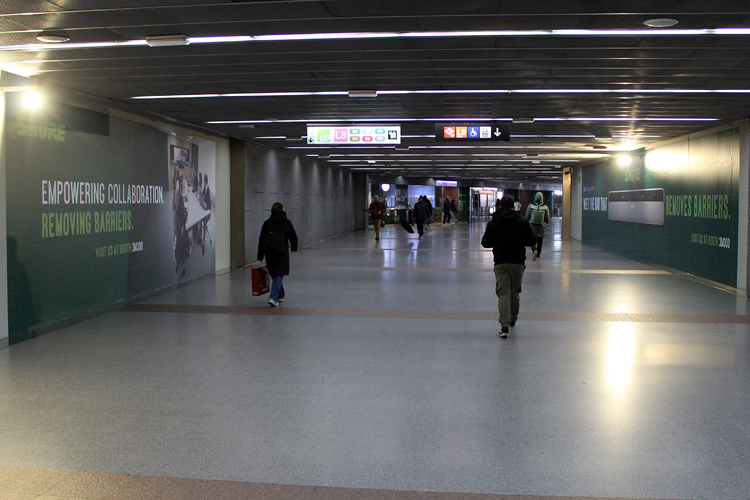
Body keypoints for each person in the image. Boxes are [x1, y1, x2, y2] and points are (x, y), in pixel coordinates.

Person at [481, 195, 537, 338]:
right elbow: (531, 239)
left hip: (501, 262)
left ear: (500, 206)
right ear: (514, 206)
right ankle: (513, 319)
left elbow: (485, 243)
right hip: (518, 262)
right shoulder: (522, 222)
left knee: (503, 293)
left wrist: (498, 241)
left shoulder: (494, 223)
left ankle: (504, 326)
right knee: (514, 292)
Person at [258, 202, 298, 307]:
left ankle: (281, 295)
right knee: (279, 274)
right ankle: (273, 297)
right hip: (281, 252)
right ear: (281, 210)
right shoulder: (286, 222)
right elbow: (293, 235)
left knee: (275, 274)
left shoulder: (267, 223)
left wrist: (260, 255)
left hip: (269, 253)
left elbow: (261, 239)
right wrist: (294, 247)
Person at [525, 191, 551, 261]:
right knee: (540, 241)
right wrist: (545, 223)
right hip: (541, 226)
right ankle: (538, 255)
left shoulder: (530, 206)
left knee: (532, 240)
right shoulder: (545, 207)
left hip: (532, 226)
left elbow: (527, 217)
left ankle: (534, 250)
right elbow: (547, 218)